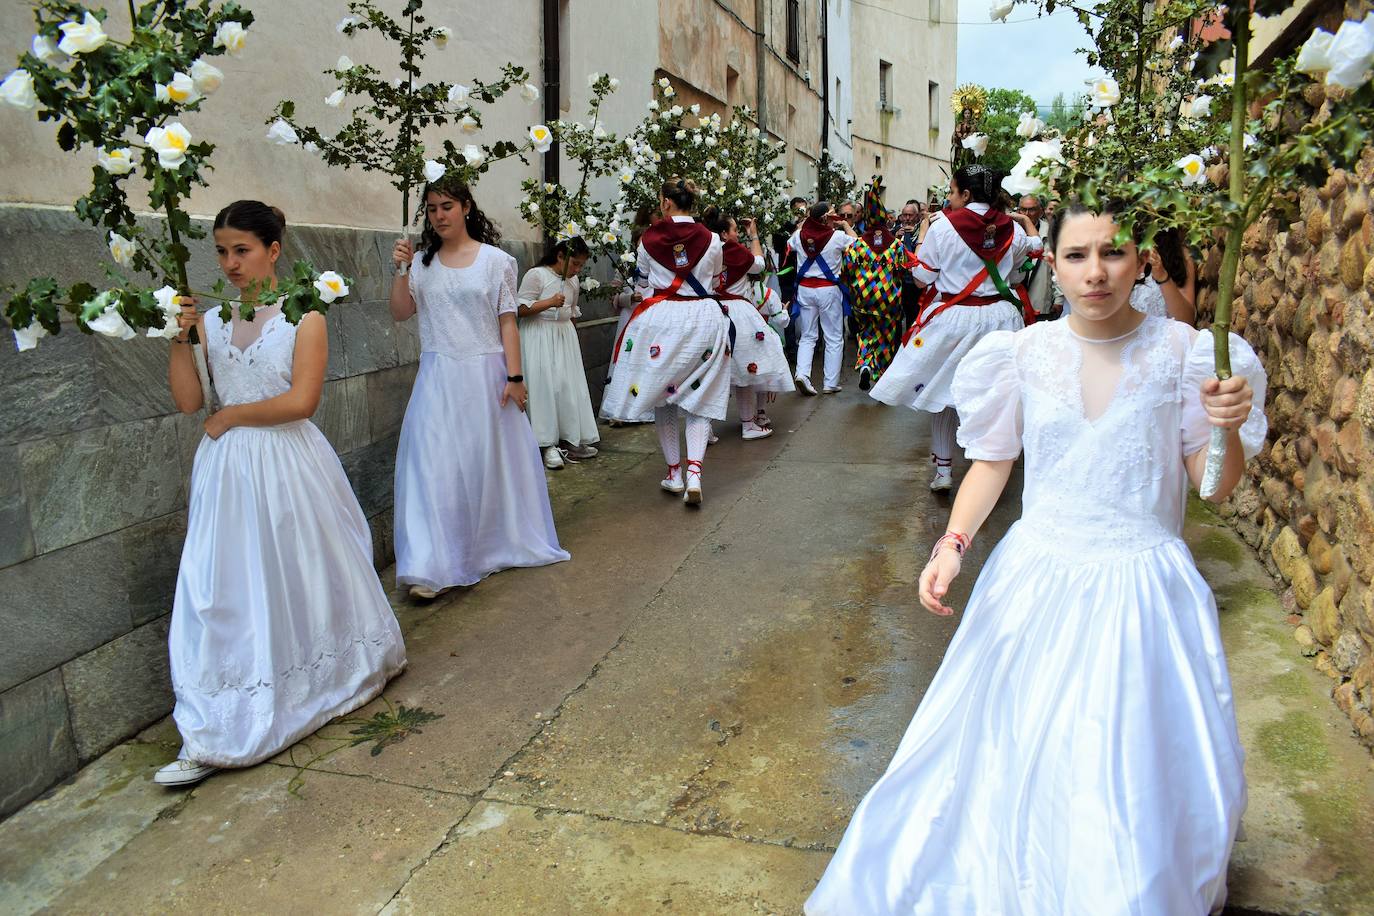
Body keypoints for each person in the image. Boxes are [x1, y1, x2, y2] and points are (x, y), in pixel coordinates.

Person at [806, 201, 1267, 916]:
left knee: (1124, 766)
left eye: (1112, 253)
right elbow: (992, 462)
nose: (1095, 272)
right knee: (1012, 753)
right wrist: (952, 545)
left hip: (1142, 592)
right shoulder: (1023, 353)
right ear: (1050, 263)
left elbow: (1214, 486)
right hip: (1035, 579)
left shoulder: (1183, 354)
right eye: (1076, 255)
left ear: (1141, 258)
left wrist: (1226, 430)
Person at [156, 200, 407, 787]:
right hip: (228, 473)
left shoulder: (304, 315)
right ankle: (213, 722)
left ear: (273, 249)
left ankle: (315, 680)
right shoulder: (213, 321)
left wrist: (235, 415)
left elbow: (302, 401)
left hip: (286, 462)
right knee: (219, 589)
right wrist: (178, 337)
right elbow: (191, 403)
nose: (230, 263)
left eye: (241, 250)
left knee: (296, 574)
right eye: (221, 251)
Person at [390, 176, 569, 600]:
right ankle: (427, 565)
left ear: (466, 207)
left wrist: (515, 377)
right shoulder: (420, 264)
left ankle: (485, 545)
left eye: (447, 206)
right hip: (437, 378)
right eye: (432, 208)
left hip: (486, 376)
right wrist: (399, 270)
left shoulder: (496, 262)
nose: (439, 215)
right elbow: (400, 312)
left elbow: (508, 320)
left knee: (481, 467)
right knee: (431, 468)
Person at [870, 166, 1040, 491]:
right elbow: (1027, 257)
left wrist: (921, 240)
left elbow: (922, 279)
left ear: (966, 194)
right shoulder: (1011, 229)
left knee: (943, 395)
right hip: (1001, 320)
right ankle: (985, 470)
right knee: (992, 396)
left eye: (951, 192)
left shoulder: (942, 227)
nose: (949, 198)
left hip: (955, 318)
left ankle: (944, 471)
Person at [600, 178, 732, 505]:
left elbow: (644, 283)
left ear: (667, 203)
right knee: (701, 397)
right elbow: (716, 281)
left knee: (665, 398)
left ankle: (674, 472)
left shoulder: (648, 238)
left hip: (661, 320)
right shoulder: (713, 240)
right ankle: (695, 474)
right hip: (702, 318)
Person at [703, 208, 793, 439]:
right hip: (736, 313)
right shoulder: (731, 249)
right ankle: (748, 424)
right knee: (746, 372)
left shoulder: (704, 248)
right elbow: (759, 265)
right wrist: (753, 234)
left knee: (712, 374)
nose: (737, 234)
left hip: (710, 310)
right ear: (724, 233)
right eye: (734, 230)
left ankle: (705, 430)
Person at [517, 237, 600, 469]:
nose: (577, 270)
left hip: (563, 337)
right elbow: (520, 309)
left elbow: (572, 313)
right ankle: (546, 444)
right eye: (574, 263)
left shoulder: (573, 282)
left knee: (566, 387)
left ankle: (571, 438)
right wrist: (550, 302)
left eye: (581, 266)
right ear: (560, 256)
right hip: (539, 336)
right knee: (544, 387)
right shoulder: (537, 275)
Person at [788, 201, 858, 394]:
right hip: (828, 290)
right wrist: (844, 224)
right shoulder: (837, 236)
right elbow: (858, 243)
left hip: (804, 289)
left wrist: (804, 223)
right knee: (834, 336)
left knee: (808, 335)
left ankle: (802, 374)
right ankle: (830, 383)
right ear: (826, 217)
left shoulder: (799, 235)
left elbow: (789, 244)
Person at [844, 180, 907, 391]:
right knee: (885, 337)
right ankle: (881, 377)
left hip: (863, 299)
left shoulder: (857, 245)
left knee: (866, 333)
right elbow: (904, 270)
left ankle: (865, 364)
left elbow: (846, 271)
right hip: (888, 300)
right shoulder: (897, 245)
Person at [1131, 227, 1197, 323]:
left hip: (1164, 336)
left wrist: (1162, 276)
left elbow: (1186, 321)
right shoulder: (1121, 250)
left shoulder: (1179, 255)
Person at [1017, 193, 1056, 318]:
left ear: (1040, 211)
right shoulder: (1010, 232)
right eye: (1023, 209)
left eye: (1032, 209)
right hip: (1013, 302)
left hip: (1040, 301)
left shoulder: (1051, 232)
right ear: (1018, 211)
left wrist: (1059, 299)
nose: (1027, 214)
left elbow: (1057, 268)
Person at [896, 200, 923, 333]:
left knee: (912, 316)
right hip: (898, 281)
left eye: (910, 215)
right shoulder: (896, 231)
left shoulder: (922, 231)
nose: (907, 218)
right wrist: (896, 237)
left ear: (917, 216)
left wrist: (915, 235)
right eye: (904, 215)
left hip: (913, 282)